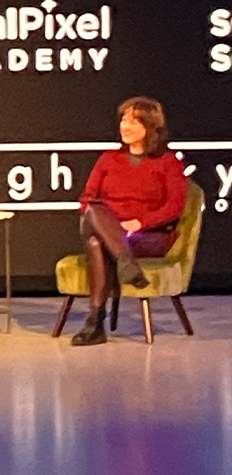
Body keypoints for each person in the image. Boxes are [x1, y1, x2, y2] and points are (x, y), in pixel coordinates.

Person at [70, 96, 187, 346]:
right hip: (110, 230)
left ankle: (95, 323)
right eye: (124, 120)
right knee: (93, 211)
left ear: (150, 128)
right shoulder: (108, 159)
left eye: (134, 122)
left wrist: (139, 223)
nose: (125, 126)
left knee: (95, 244)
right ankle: (125, 263)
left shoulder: (168, 163)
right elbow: (86, 199)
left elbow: (174, 208)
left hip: (148, 236)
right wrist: (111, 225)